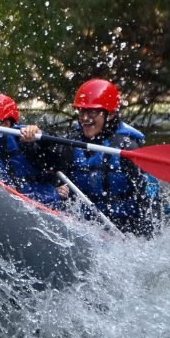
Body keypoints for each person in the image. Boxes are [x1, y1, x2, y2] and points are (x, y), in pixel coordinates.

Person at [40, 78, 162, 237]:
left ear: (110, 115)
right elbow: (44, 164)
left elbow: (151, 202)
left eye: (92, 112)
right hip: (84, 229)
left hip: (125, 232)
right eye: (81, 111)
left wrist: (140, 241)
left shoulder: (128, 149)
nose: (84, 118)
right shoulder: (71, 143)